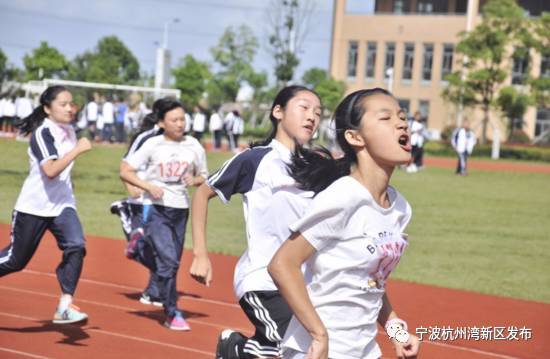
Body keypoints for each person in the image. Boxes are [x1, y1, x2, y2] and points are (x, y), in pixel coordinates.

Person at [268, 88, 421, 359]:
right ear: (355, 137)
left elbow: (372, 282)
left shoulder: (399, 208)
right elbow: (282, 264)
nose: (401, 123)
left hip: (364, 350)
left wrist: (397, 331)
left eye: (402, 117)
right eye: (385, 118)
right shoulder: (344, 196)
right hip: (319, 351)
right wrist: (318, 334)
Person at [189, 85, 322, 358]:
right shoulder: (255, 160)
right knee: (284, 348)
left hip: (302, 284)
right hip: (263, 278)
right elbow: (203, 193)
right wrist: (200, 254)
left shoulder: (315, 166)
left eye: (318, 112)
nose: (312, 117)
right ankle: (235, 350)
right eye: (304, 108)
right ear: (278, 112)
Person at [0, 85, 92, 324]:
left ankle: (64, 305)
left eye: (71, 104)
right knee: (15, 261)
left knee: (76, 245)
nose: (69, 108)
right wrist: (78, 151)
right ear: (47, 108)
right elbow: (50, 170)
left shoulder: (69, 130)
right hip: (34, 207)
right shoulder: (42, 133)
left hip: (62, 205)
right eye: (63, 104)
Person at [120, 98, 208, 330]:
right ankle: (171, 313)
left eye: (182, 119)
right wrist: (148, 187)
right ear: (161, 123)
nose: (180, 124)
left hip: (181, 209)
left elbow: (205, 176)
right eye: (174, 120)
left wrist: (195, 179)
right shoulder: (152, 145)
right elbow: (125, 171)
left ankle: (139, 249)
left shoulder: (194, 146)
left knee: (173, 262)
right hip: (157, 208)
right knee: (168, 262)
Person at [110, 99, 167, 307]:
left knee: (159, 249)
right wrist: (132, 188)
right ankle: (125, 213)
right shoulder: (146, 137)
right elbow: (125, 165)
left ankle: (154, 292)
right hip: (142, 199)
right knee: (146, 248)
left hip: (162, 200)